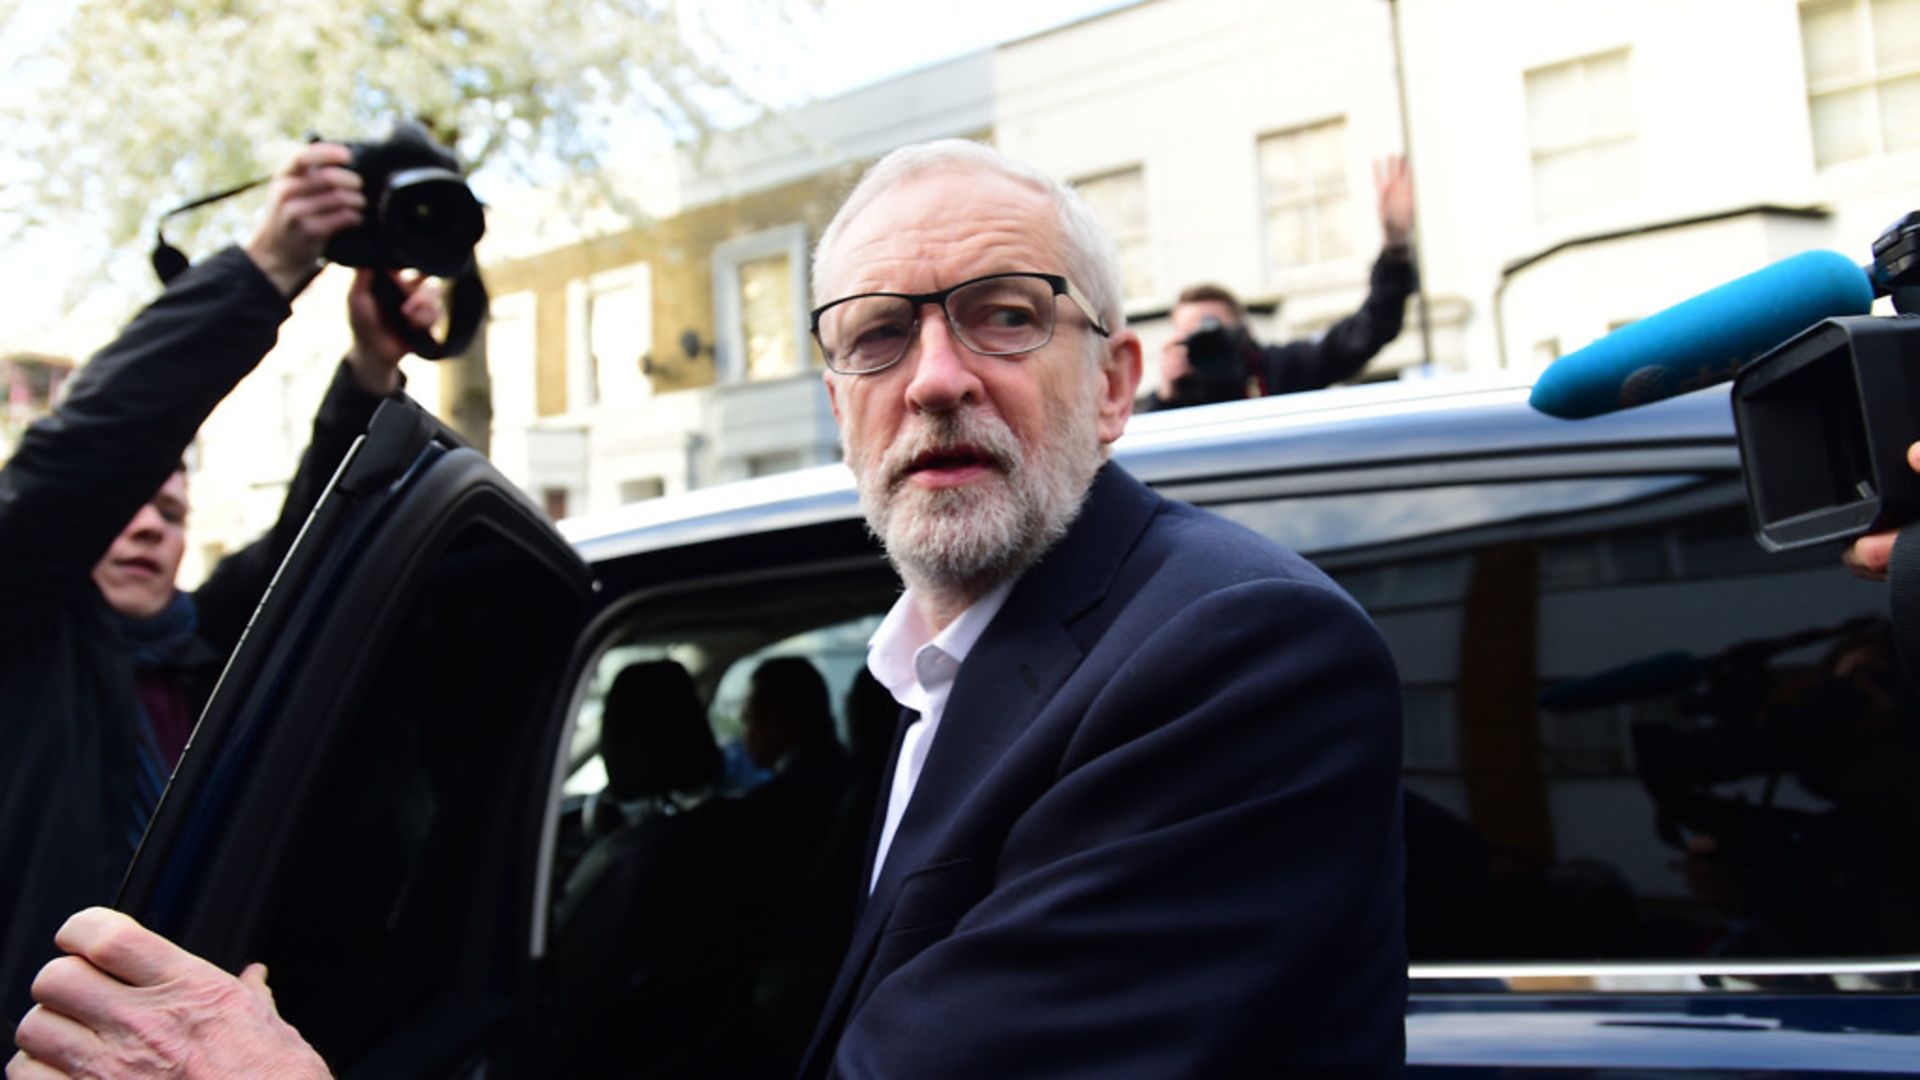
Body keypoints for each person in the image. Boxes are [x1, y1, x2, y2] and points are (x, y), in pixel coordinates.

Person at [9, 139, 1406, 1078]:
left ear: (1116, 385)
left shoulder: (1229, 655)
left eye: (1006, 314)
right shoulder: (930, 679)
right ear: (839, 403)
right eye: (875, 333)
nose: (933, 378)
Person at [0, 141, 441, 1047]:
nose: (147, 524)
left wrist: (368, 369)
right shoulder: (25, 635)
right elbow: (80, 462)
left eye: (170, 506)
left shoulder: (212, 647)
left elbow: (316, 545)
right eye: (126, 505)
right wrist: (267, 268)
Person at [1148, 155, 1417, 409]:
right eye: (1189, 335)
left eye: (1210, 328)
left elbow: (1370, 329)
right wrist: (1167, 394)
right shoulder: (1175, 398)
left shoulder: (1285, 370)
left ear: (1245, 330)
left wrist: (1395, 246)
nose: (1202, 341)